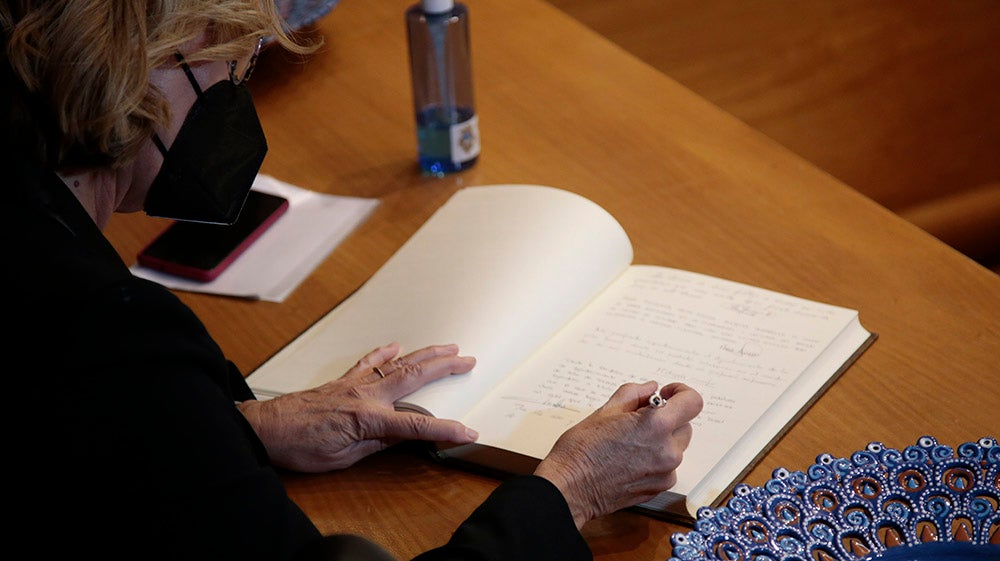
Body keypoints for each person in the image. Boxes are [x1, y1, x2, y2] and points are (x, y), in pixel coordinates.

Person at [2, 1, 703, 559]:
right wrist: (572, 489)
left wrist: (241, 425)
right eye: (234, 68)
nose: (238, 96)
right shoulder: (108, 333)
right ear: (152, 60)